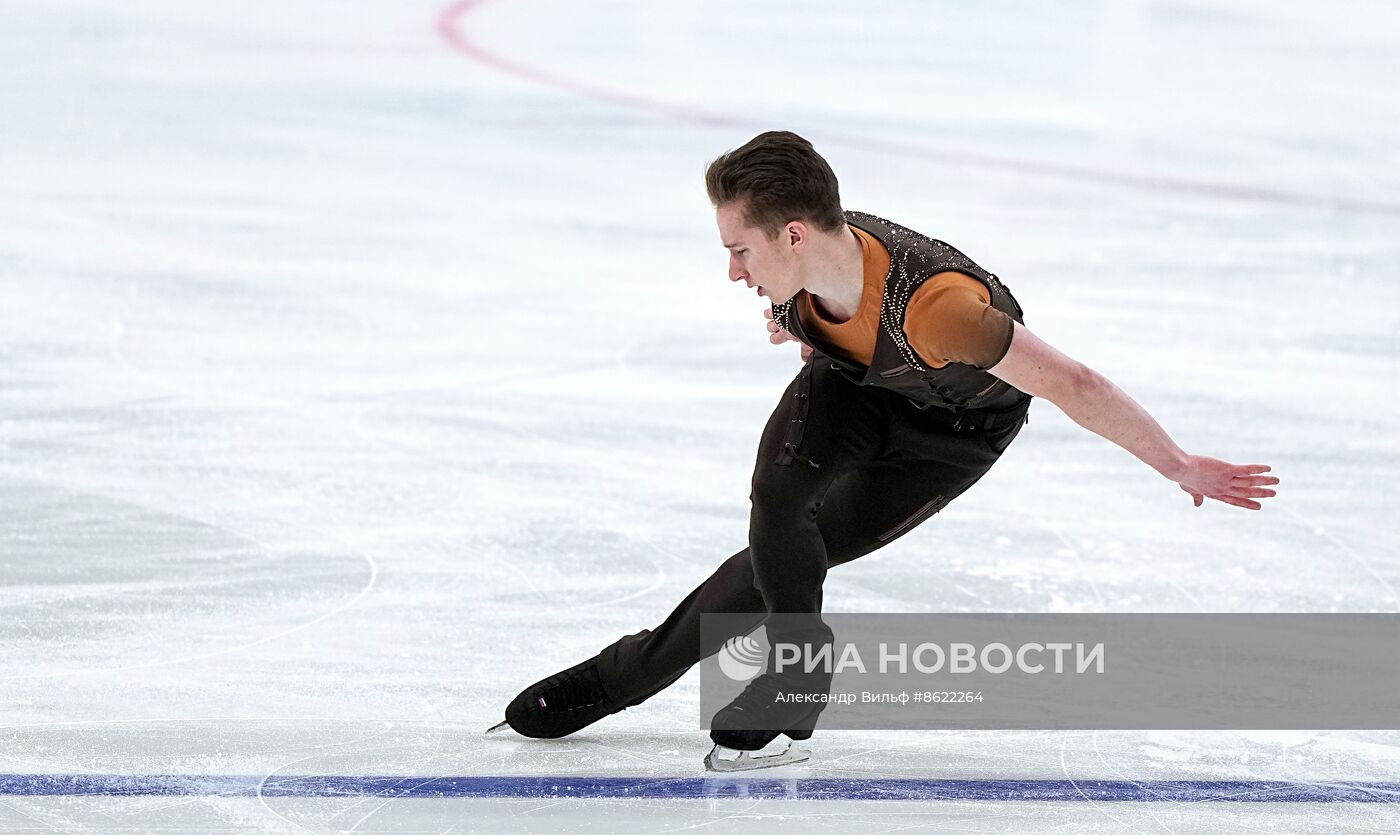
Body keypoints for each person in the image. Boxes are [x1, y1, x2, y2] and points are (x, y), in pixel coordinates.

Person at [488, 130, 1279, 769]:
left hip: (951, 435)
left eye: (741, 250)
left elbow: (1073, 382)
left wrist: (1177, 463)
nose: (732, 270)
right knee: (778, 513)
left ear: (793, 234)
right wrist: (796, 323)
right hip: (859, 385)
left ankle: (672, 676)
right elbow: (830, 321)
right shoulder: (803, 271)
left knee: (797, 548)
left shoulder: (942, 311)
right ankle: (694, 677)